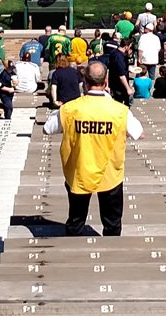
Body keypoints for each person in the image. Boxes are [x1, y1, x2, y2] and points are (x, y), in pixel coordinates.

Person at [42, 61, 143, 237]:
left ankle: (75, 252)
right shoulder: (120, 110)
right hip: (109, 173)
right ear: (106, 82)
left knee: (76, 219)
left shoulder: (70, 108)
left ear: (85, 82)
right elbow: (139, 133)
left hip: (78, 171)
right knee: (112, 222)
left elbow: (47, 128)